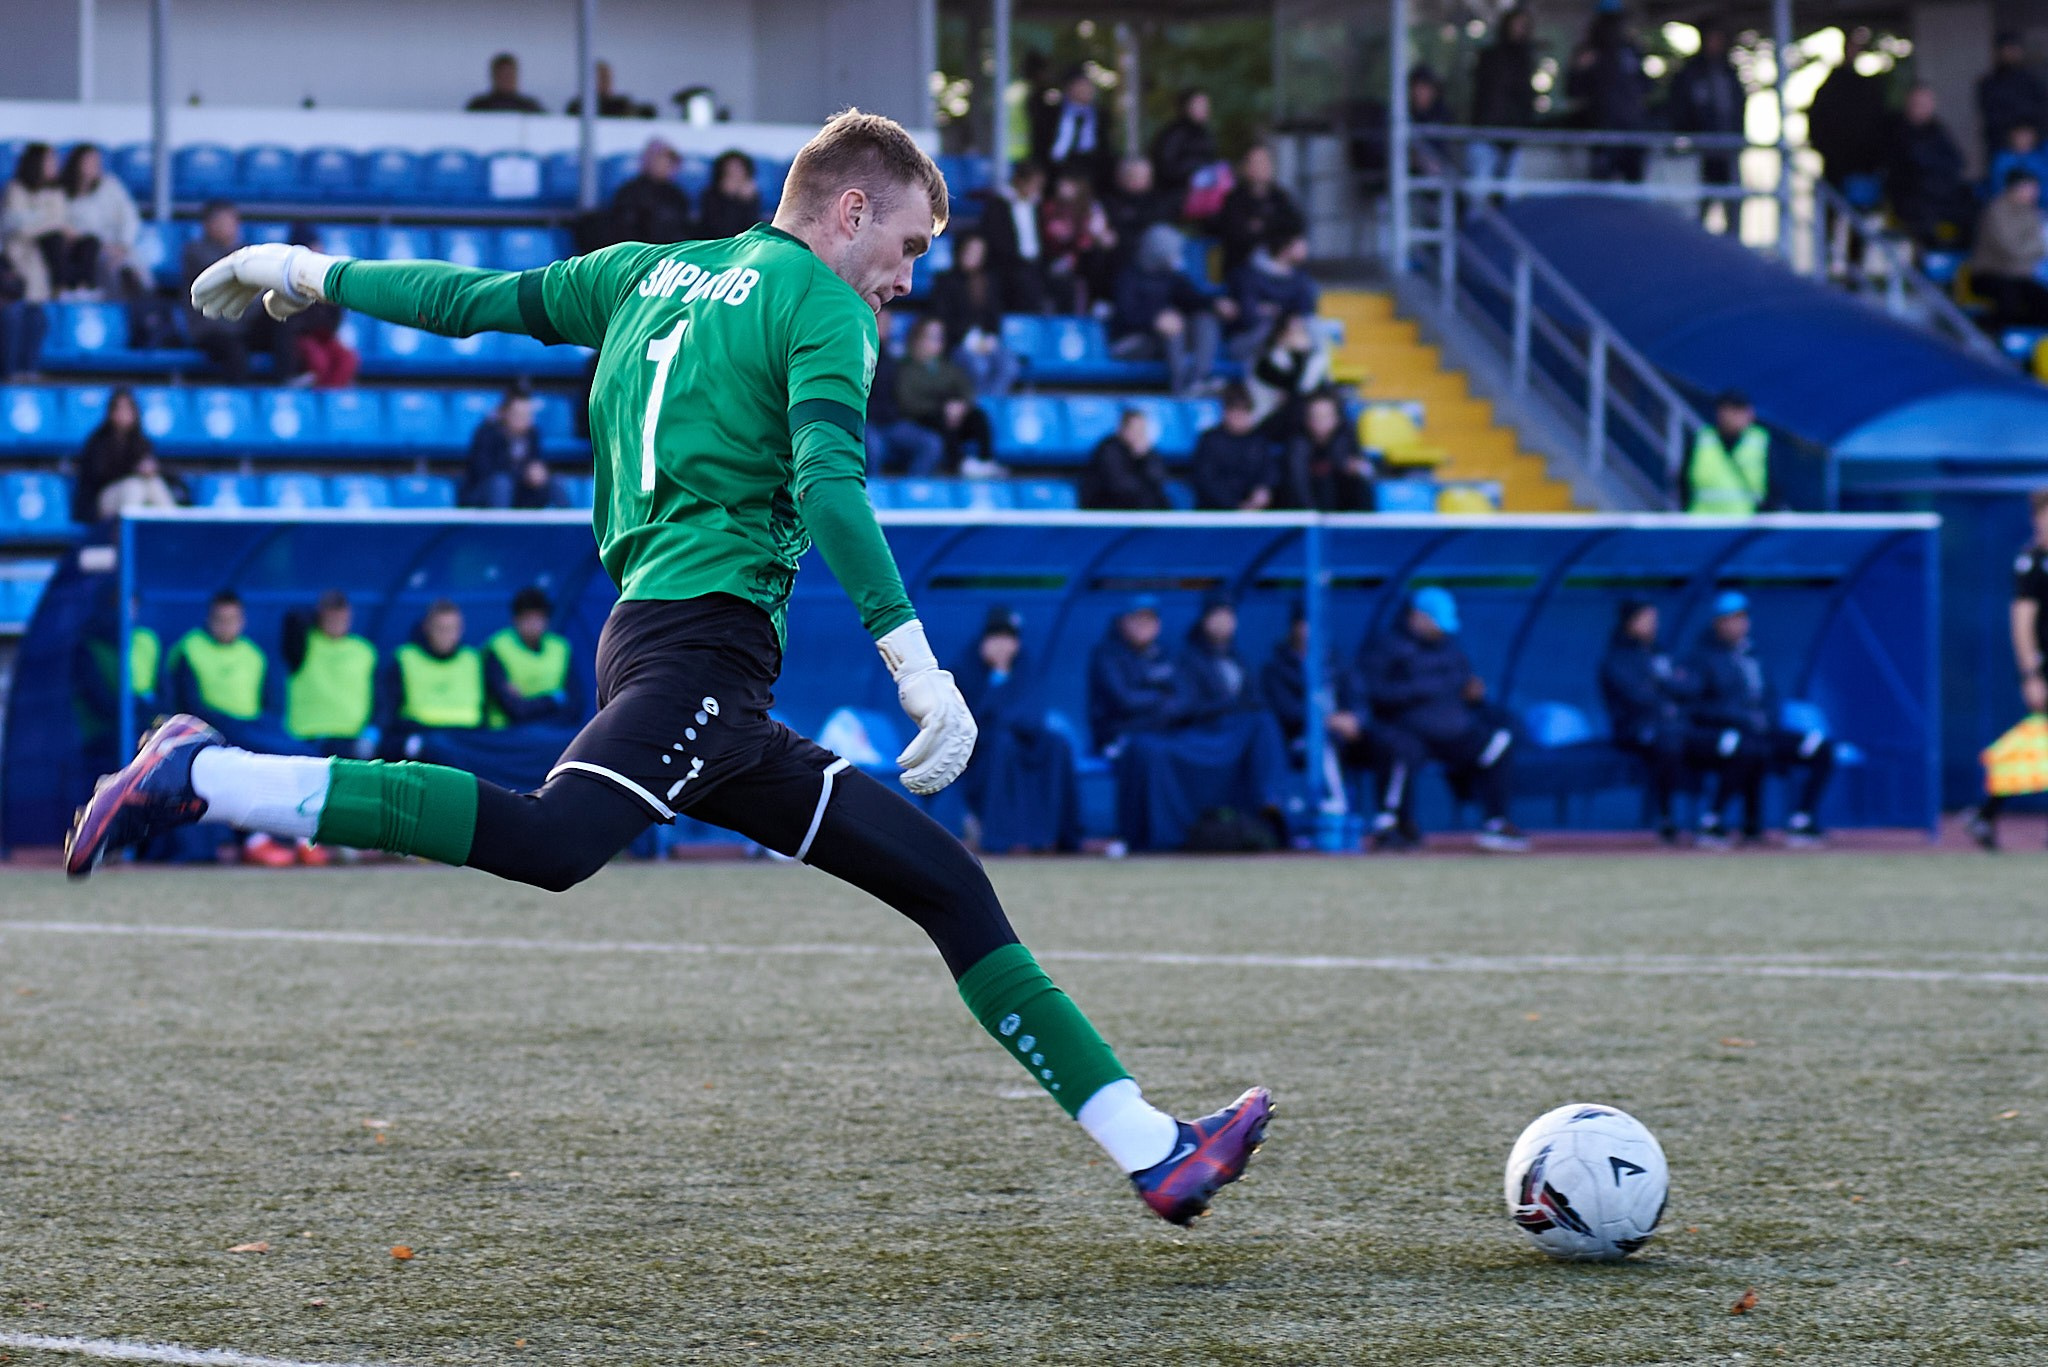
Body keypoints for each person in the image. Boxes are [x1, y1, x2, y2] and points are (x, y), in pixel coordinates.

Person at [95, 108, 1270, 1227]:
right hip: (699, 645)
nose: (909, 276)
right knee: (553, 840)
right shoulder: (822, 303)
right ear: (849, 209)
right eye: (910, 245)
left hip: (681, 653)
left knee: (945, 884)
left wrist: (305, 270)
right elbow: (828, 485)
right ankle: (203, 775)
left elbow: (464, 300)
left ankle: (1152, 1148)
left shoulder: (641, 271)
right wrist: (916, 665)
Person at [1087, 595, 1286, 853]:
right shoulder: (1107, 655)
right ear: (1123, 622)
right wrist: (1162, 699)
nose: (1144, 626)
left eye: (1150, 620)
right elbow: (1125, 700)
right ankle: (1158, 838)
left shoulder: (1165, 654)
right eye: (1137, 620)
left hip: (1164, 732)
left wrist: (1159, 702)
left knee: (1247, 727)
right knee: (1150, 752)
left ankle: (1213, 826)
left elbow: (1185, 700)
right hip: (1122, 735)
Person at [1358, 587, 1526, 852]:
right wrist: (1421, 690)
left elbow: (1464, 686)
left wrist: (1474, 696)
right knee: (1397, 749)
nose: (1441, 631)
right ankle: (1392, 825)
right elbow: (1372, 691)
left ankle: (1496, 822)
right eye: (1437, 623)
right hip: (1409, 731)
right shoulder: (1386, 647)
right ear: (1417, 617)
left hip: (1455, 732)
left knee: (1498, 742)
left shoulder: (1450, 648)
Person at [162, 589, 300, 866]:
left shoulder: (253, 655)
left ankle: (295, 838)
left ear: (242, 621)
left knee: (290, 754)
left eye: (232, 620)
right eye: (220, 620)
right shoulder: (189, 650)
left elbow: (269, 703)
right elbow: (187, 703)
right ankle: (253, 840)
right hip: (207, 733)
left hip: (250, 731)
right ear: (209, 620)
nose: (226, 626)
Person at [1687, 590, 1835, 846]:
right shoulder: (1702, 657)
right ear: (1718, 623)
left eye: (1742, 618)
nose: (1739, 624)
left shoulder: (1752, 655)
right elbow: (1697, 705)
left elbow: (1769, 697)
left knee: (1820, 748)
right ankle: (1713, 821)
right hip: (1727, 734)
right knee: (1747, 748)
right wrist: (1740, 718)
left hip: (1764, 733)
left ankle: (1802, 821)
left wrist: (1766, 719)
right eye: (1731, 619)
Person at [953, 606, 1081, 854]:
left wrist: (1009, 720)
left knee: (1056, 744)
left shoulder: (1025, 664)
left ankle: (1054, 836)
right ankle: (1001, 838)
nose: (1003, 645)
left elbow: (1033, 713)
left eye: (1009, 638)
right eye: (997, 637)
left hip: (1025, 737)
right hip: (980, 753)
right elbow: (975, 719)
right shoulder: (964, 667)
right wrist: (999, 676)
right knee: (1003, 744)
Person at [1598, 598, 1721, 844]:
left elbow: (1692, 687)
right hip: (1636, 730)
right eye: (1646, 619)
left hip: (1677, 727)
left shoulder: (1659, 653)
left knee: (1735, 746)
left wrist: (1664, 684)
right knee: (1669, 744)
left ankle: (1713, 819)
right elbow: (1637, 696)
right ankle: (1666, 818)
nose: (1652, 625)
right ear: (1630, 622)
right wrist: (1669, 687)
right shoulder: (1617, 658)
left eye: (1654, 619)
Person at [1967, 489, 2048, 850]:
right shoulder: (2032, 562)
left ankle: (1985, 814)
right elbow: (2022, 621)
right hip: (2045, 668)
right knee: (2032, 745)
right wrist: (2031, 675)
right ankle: (1986, 812)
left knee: (2036, 745)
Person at [1111, 223, 1231, 395]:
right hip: (1131, 341)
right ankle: (1180, 386)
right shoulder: (1128, 277)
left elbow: (1192, 298)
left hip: (1163, 341)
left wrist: (1215, 303)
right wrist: (1154, 320)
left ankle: (1198, 378)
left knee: (1205, 319)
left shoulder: (1171, 276)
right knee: (1172, 327)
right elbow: (1126, 315)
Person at [283, 590, 379, 762]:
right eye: (331, 617)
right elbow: (292, 619)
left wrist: (373, 731)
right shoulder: (304, 644)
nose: (336, 623)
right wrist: (315, 616)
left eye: (341, 617)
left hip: (351, 739)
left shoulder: (364, 651)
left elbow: (379, 696)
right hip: (307, 737)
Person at [896, 314, 997, 476]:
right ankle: (958, 464)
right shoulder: (905, 368)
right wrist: (943, 409)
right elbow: (908, 402)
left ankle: (986, 461)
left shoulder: (946, 367)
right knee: (942, 422)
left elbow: (965, 388)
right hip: (923, 418)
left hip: (953, 414)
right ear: (917, 339)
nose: (936, 343)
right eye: (931, 337)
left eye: (939, 338)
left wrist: (961, 406)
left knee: (978, 416)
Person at [1666, 24, 1747, 224]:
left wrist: (1738, 137)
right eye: (1712, 39)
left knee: (1733, 203)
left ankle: (1732, 238)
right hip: (1702, 148)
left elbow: (1738, 107)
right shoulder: (1692, 72)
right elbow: (1680, 108)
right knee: (1701, 204)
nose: (1715, 44)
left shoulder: (1728, 72)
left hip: (1727, 148)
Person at [182, 201, 267, 381]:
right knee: (235, 352)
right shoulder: (195, 252)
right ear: (208, 225)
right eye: (223, 221)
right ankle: (238, 396)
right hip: (213, 327)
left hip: (245, 322)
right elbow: (228, 277)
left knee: (283, 321)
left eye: (233, 221)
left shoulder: (247, 251)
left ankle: (288, 384)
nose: (230, 226)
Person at [927, 233, 1017, 398]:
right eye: (970, 251)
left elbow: (994, 316)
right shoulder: (944, 281)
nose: (972, 256)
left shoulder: (989, 282)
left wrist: (990, 338)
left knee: (1009, 365)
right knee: (978, 366)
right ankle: (975, 404)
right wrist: (968, 338)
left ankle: (989, 403)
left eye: (978, 252)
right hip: (957, 343)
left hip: (986, 341)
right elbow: (941, 318)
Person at [1887, 84, 1974, 250]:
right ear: (1909, 104)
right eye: (1919, 103)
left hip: (1942, 194)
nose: (1923, 108)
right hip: (1912, 197)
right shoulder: (1897, 130)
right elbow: (1908, 166)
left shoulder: (1937, 129)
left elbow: (1957, 161)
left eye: (1927, 103)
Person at [1568, 13, 1652, 184]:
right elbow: (1574, 91)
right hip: (1604, 128)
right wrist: (1578, 69)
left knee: (1633, 184)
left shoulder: (1631, 52)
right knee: (1604, 184)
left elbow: (1646, 86)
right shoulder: (1591, 52)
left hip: (1632, 128)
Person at [1808, 28, 1890, 199]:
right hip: (1837, 166)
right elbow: (1818, 122)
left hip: (1865, 166)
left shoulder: (1869, 87)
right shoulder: (1832, 87)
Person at [276, 223, 360, 388]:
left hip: (323, 337)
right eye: (312, 247)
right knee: (318, 360)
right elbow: (288, 325)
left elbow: (334, 316)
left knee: (347, 358)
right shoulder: (285, 280)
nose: (318, 250)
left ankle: (332, 397)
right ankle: (317, 398)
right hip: (300, 339)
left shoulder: (326, 276)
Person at [484, 586, 577, 730]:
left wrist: (529, 703)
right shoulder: (497, 649)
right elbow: (515, 709)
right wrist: (555, 698)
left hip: (555, 730)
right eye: (527, 618)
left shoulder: (560, 648)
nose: (533, 624)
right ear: (516, 620)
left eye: (538, 618)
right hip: (510, 733)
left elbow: (575, 703)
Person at [865, 310, 945, 476]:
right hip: (866, 422)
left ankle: (913, 488)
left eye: (887, 324)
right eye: (881, 323)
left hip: (892, 423)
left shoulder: (896, 360)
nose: (885, 328)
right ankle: (870, 490)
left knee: (931, 443)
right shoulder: (859, 354)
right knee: (873, 447)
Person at [1467, 8, 1538, 188]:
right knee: (1480, 188)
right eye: (1515, 25)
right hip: (1486, 133)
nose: (1518, 30)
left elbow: (1525, 98)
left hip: (1514, 136)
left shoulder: (1525, 60)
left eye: (1522, 26)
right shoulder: (1491, 57)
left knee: (1511, 191)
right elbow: (1485, 96)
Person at [60, 143, 142, 297]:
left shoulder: (110, 185)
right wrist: (99, 246)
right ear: (77, 163)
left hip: (116, 246)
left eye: (96, 162)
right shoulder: (62, 192)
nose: (94, 166)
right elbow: (62, 225)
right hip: (82, 249)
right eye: (89, 161)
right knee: (103, 263)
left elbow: (129, 217)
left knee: (128, 268)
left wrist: (122, 245)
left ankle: (136, 299)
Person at [1968, 171, 2048, 326]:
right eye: (2029, 188)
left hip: (2020, 277)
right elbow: (2013, 249)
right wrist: (2041, 244)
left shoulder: (2032, 213)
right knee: (2010, 301)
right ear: (2014, 188)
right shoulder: (1996, 211)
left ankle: (2022, 336)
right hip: (1990, 274)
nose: (2034, 193)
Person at [71, 387, 162, 523]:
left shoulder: (141, 442)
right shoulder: (97, 441)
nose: (123, 414)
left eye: (128, 409)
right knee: (134, 486)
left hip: (139, 493)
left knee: (153, 482)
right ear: (111, 413)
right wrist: (135, 470)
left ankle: (174, 526)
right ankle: (128, 532)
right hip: (102, 500)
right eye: (119, 409)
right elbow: (98, 477)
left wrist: (150, 470)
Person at [1216, 144, 1306, 278]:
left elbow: (1295, 225)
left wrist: (1264, 227)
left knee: (1305, 285)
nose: (1261, 167)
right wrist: (1272, 230)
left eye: (1264, 162)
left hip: (1280, 264)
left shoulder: (1280, 197)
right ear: (1245, 167)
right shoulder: (1234, 200)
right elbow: (1238, 236)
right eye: (1256, 163)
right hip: (1244, 269)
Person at [1227, 229, 1318, 359]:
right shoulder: (1250, 274)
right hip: (1251, 338)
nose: (1306, 249)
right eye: (1300, 245)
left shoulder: (1300, 278)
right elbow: (1248, 314)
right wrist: (1277, 317)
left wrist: (1290, 318)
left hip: (1289, 335)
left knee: (1313, 331)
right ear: (1285, 249)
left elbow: (1306, 310)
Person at [3, 143, 74, 303]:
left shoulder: (57, 191)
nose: (55, 165)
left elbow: (61, 220)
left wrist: (46, 223)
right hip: (22, 246)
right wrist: (51, 224)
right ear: (36, 163)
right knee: (54, 238)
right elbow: (21, 227)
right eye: (50, 161)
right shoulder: (16, 190)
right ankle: (60, 291)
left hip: (53, 247)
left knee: (85, 243)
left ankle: (73, 291)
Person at [1246, 311, 1330, 443]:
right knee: (1298, 407)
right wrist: (1300, 356)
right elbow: (1298, 389)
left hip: (1303, 423)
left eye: (1301, 331)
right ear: (1280, 335)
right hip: (1268, 417)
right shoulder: (1266, 362)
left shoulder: (1314, 360)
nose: (1297, 337)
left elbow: (1314, 390)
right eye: (1292, 332)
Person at [1190, 383, 1276, 512]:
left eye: (1244, 411)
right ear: (1226, 413)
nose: (1240, 417)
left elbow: (1268, 472)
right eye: (1235, 411)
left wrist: (1263, 489)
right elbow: (1205, 481)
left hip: (1254, 512)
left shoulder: (1258, 441)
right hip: (1215, 512)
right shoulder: (1210, 441)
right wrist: (1235, 506)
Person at [1285, 389, 1374, 512]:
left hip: (1344, 513)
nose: (1320, 422)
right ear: (1306, 419)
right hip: (1305, 514)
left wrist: (1354, 467)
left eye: (1325, 416)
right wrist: (1310, 513)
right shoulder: (1297, 446)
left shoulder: (1347, 440)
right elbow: (1297, 484)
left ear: (1337, 418)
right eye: (1315, 416)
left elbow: (1364, 471)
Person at [977, 161, 1048, 313]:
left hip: (1035, 266)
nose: (1036, 189)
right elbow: (996, 240)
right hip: (1008, 266)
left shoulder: (1037, 207)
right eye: (1034, 184)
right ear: (1021, 181)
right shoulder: (999, 205)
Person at [1685, 391, 1771, 516]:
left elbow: (1774, 485)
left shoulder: (1761, 440)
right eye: (1728, 410)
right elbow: (1682, 480)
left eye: (1738, 411)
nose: (1731, 417)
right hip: (1703, 520)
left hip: (1747, 522)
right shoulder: (1702, 439)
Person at [1037, 168, 1112, 312]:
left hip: (1082, 261)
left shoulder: (1091, 208)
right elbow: (1052, 235)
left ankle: (1096, 304)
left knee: (1095, 259)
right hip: (1053, 257)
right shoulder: (1049, 207)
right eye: (1060, 183)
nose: (1061, 187)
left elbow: (1097, 235)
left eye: (1067, 183)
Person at [463, 386, 543, 508]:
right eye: (519, 414)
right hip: (483, 492)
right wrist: (524, 475)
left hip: (521, 490)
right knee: (501, 483)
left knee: (554, 483)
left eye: (528, 415)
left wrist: (538, 473)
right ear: (505, 413)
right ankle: (500, 521)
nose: (525, 419)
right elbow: (483, 471)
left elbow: (536, 462)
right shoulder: (486, 433)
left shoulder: (532, 434)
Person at [1034, 67, 1111, 189]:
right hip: (1058, 165)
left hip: (1090, 165)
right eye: (1080, 86)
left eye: (1088, 87)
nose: (1086, 91)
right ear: (1069, 88)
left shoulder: (1101, 115)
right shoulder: (1052, 113)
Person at [1978, 32, 2048, 166]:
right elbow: (1992, 116)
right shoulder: (1989, 84)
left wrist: (2031, 134)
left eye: (2014, 48)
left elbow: (2043, 110)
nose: (2011, 53)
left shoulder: (2034, 81)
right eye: (2007, 49)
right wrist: (2013, 136)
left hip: (2036, 144)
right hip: (2002, 145)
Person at [1080, 407, 1170, 511]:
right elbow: (1119, 486)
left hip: (1137, 507)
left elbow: (1158, 478)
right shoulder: (1108, 450)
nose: (1139, 434)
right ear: (1123, 429)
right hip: (1106, 507)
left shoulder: (1147, 451)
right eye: (1135, 429)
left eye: (1142, 429)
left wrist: (1144, 457)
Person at [608, 141, 694, 246]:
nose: (666, 166)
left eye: (670, 162)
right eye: (660, 160)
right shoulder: (629, 193)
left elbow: (684, 228)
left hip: (672, 249)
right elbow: (625, 230)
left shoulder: (677, 194)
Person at [1150, 88, 1224, 205]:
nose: (1204, 109)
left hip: (1203, 194)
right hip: (1175, 194)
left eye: (1205, 105)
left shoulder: (1205, 133)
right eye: (1198, 105)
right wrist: (1194, 172)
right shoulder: (1174, 134)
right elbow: (1166, 167)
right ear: (1186, 107)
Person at [695, 152, 764, 240]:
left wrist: (747, 202)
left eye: (739, 170)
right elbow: (717, 228)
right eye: (730, 171)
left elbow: (752, 227)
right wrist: (729, 198)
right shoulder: (709, 195)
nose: (735, 174)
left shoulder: (751, 196)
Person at [566, 60, 654, 119]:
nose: (606, 82)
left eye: (608, 78)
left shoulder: (621, 104)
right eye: (602, 78)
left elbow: (647, 112)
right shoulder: (578, 105)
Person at [466, 53, 546, 113]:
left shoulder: (529, 107)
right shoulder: (479, 106)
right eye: (502, 75)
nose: (506, 79)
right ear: (493, 76)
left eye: (509, 75)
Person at [1988, 123, 2048, 197]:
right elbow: (1998, 186)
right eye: (2020, 136)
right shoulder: (2002, 160)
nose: (2024, 139)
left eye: (2027, 135)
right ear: (2012, 137)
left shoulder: (2039, 158)